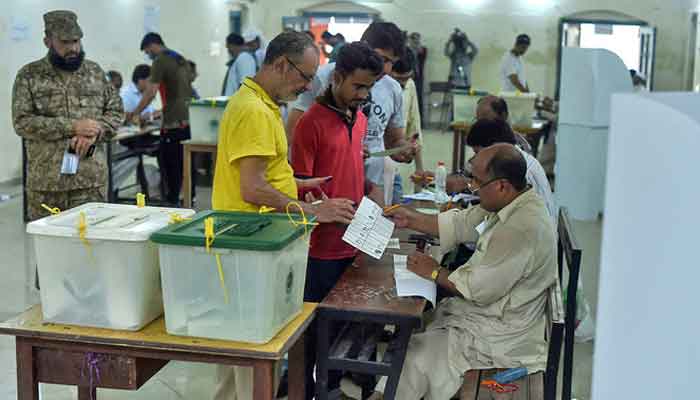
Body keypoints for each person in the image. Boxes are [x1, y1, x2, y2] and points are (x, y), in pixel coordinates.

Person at [211, 31, 356, 400]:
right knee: (251, 352)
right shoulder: (255, 111)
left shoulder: (259, 103)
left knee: (237, 352)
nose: (307, 86)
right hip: (248, 243)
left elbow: (261, 175)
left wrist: (298, 183)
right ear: (279, 64)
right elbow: (252, 188)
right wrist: (313, 211)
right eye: (304, 77)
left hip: (249, 238)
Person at [374, 144, 557, 399]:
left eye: (477, 182)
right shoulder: (513, 202)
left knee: (413, 355)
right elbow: (463, 223)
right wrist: (411, 218)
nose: (472, 187)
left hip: (501, 335)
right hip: (491, 316)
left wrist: (435, 272)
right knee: (414, 334)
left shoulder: (521, 227)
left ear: (502, 185)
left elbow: (477, 290)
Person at [291, 41, 384, 399]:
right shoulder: (311, 124)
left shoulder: (358, 120)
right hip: (320, 249)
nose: (363, 95)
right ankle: (312, 389)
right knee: (315, 332)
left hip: (354, 241)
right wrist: (323, 206)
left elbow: (349, 169)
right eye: (358, 86)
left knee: (348, 325)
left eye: (369, 88)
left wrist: (369, 187)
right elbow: (299, 188)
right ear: (338, 77)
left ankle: (340, 383)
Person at [287, 22, 417, 207]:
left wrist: (402, 149)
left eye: (392, 63)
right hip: (325, 198)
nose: (386, 69)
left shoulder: (382, 97)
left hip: (366, 187)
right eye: (383, 58)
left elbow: (393, 141)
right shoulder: (319, 85)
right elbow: (296, 140)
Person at [12, 10, 123, 221]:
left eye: (76, 41)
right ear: (48, 41)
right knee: (48, 249)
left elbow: (116, 111)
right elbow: (22, 122)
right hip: (47, 185)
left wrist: (96, 130)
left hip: (90, 181)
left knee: (92, 248)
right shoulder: (29, 75)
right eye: (65, 42)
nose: (73, 48)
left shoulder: (94, 72)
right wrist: (72, 127)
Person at [129, 32, 193, 205]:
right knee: (184, 163)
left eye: (147, 51)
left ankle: (172, 201)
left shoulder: (160, 60)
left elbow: (150, 92)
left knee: (169, 164)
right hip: (188, 118)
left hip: (172, 122)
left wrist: (134, 113)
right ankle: (188, 198)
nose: (148, 55)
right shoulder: (180, 58)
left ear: (153, 45)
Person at [465, 119, 556, 219]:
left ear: (494, 147)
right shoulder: (514, 158)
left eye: (477, 152)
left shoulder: (518, 170)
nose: (476, 157)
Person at [390, 49, 425, 194]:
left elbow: (414, 124)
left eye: (407, 78)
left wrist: (419, 168)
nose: (403, 86)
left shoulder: (409, 85)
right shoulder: (376, 88)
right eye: (398, 80)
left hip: (394, 165)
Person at [408, 32, 427, 121]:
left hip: (418, 78)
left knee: (418, 99)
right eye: (413, 39)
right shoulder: (407, 50)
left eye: (417, 39)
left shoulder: (423, 50)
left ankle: (420, 121)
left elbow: (421, 52)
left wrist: (417, 45)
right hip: (408, 77)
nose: (415, 41)